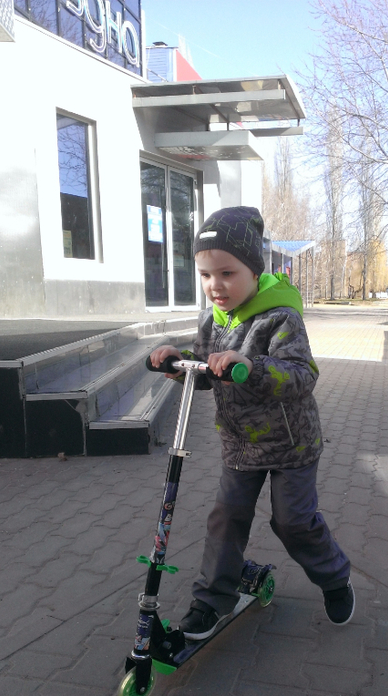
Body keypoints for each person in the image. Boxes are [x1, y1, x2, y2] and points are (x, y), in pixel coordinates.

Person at [150, 206, 353, 641]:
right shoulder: (212, 319)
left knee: (293, 521)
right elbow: (207, 370)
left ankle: (335, 578)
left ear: (255, 272)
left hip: (291, 446)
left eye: (227, 273)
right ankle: (210, 600)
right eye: (206, 275)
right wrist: (181, 364)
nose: (215, 285)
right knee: (226, 517)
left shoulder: (280, 318)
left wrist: (252, 367)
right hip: (241, 445)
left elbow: (302, 375)